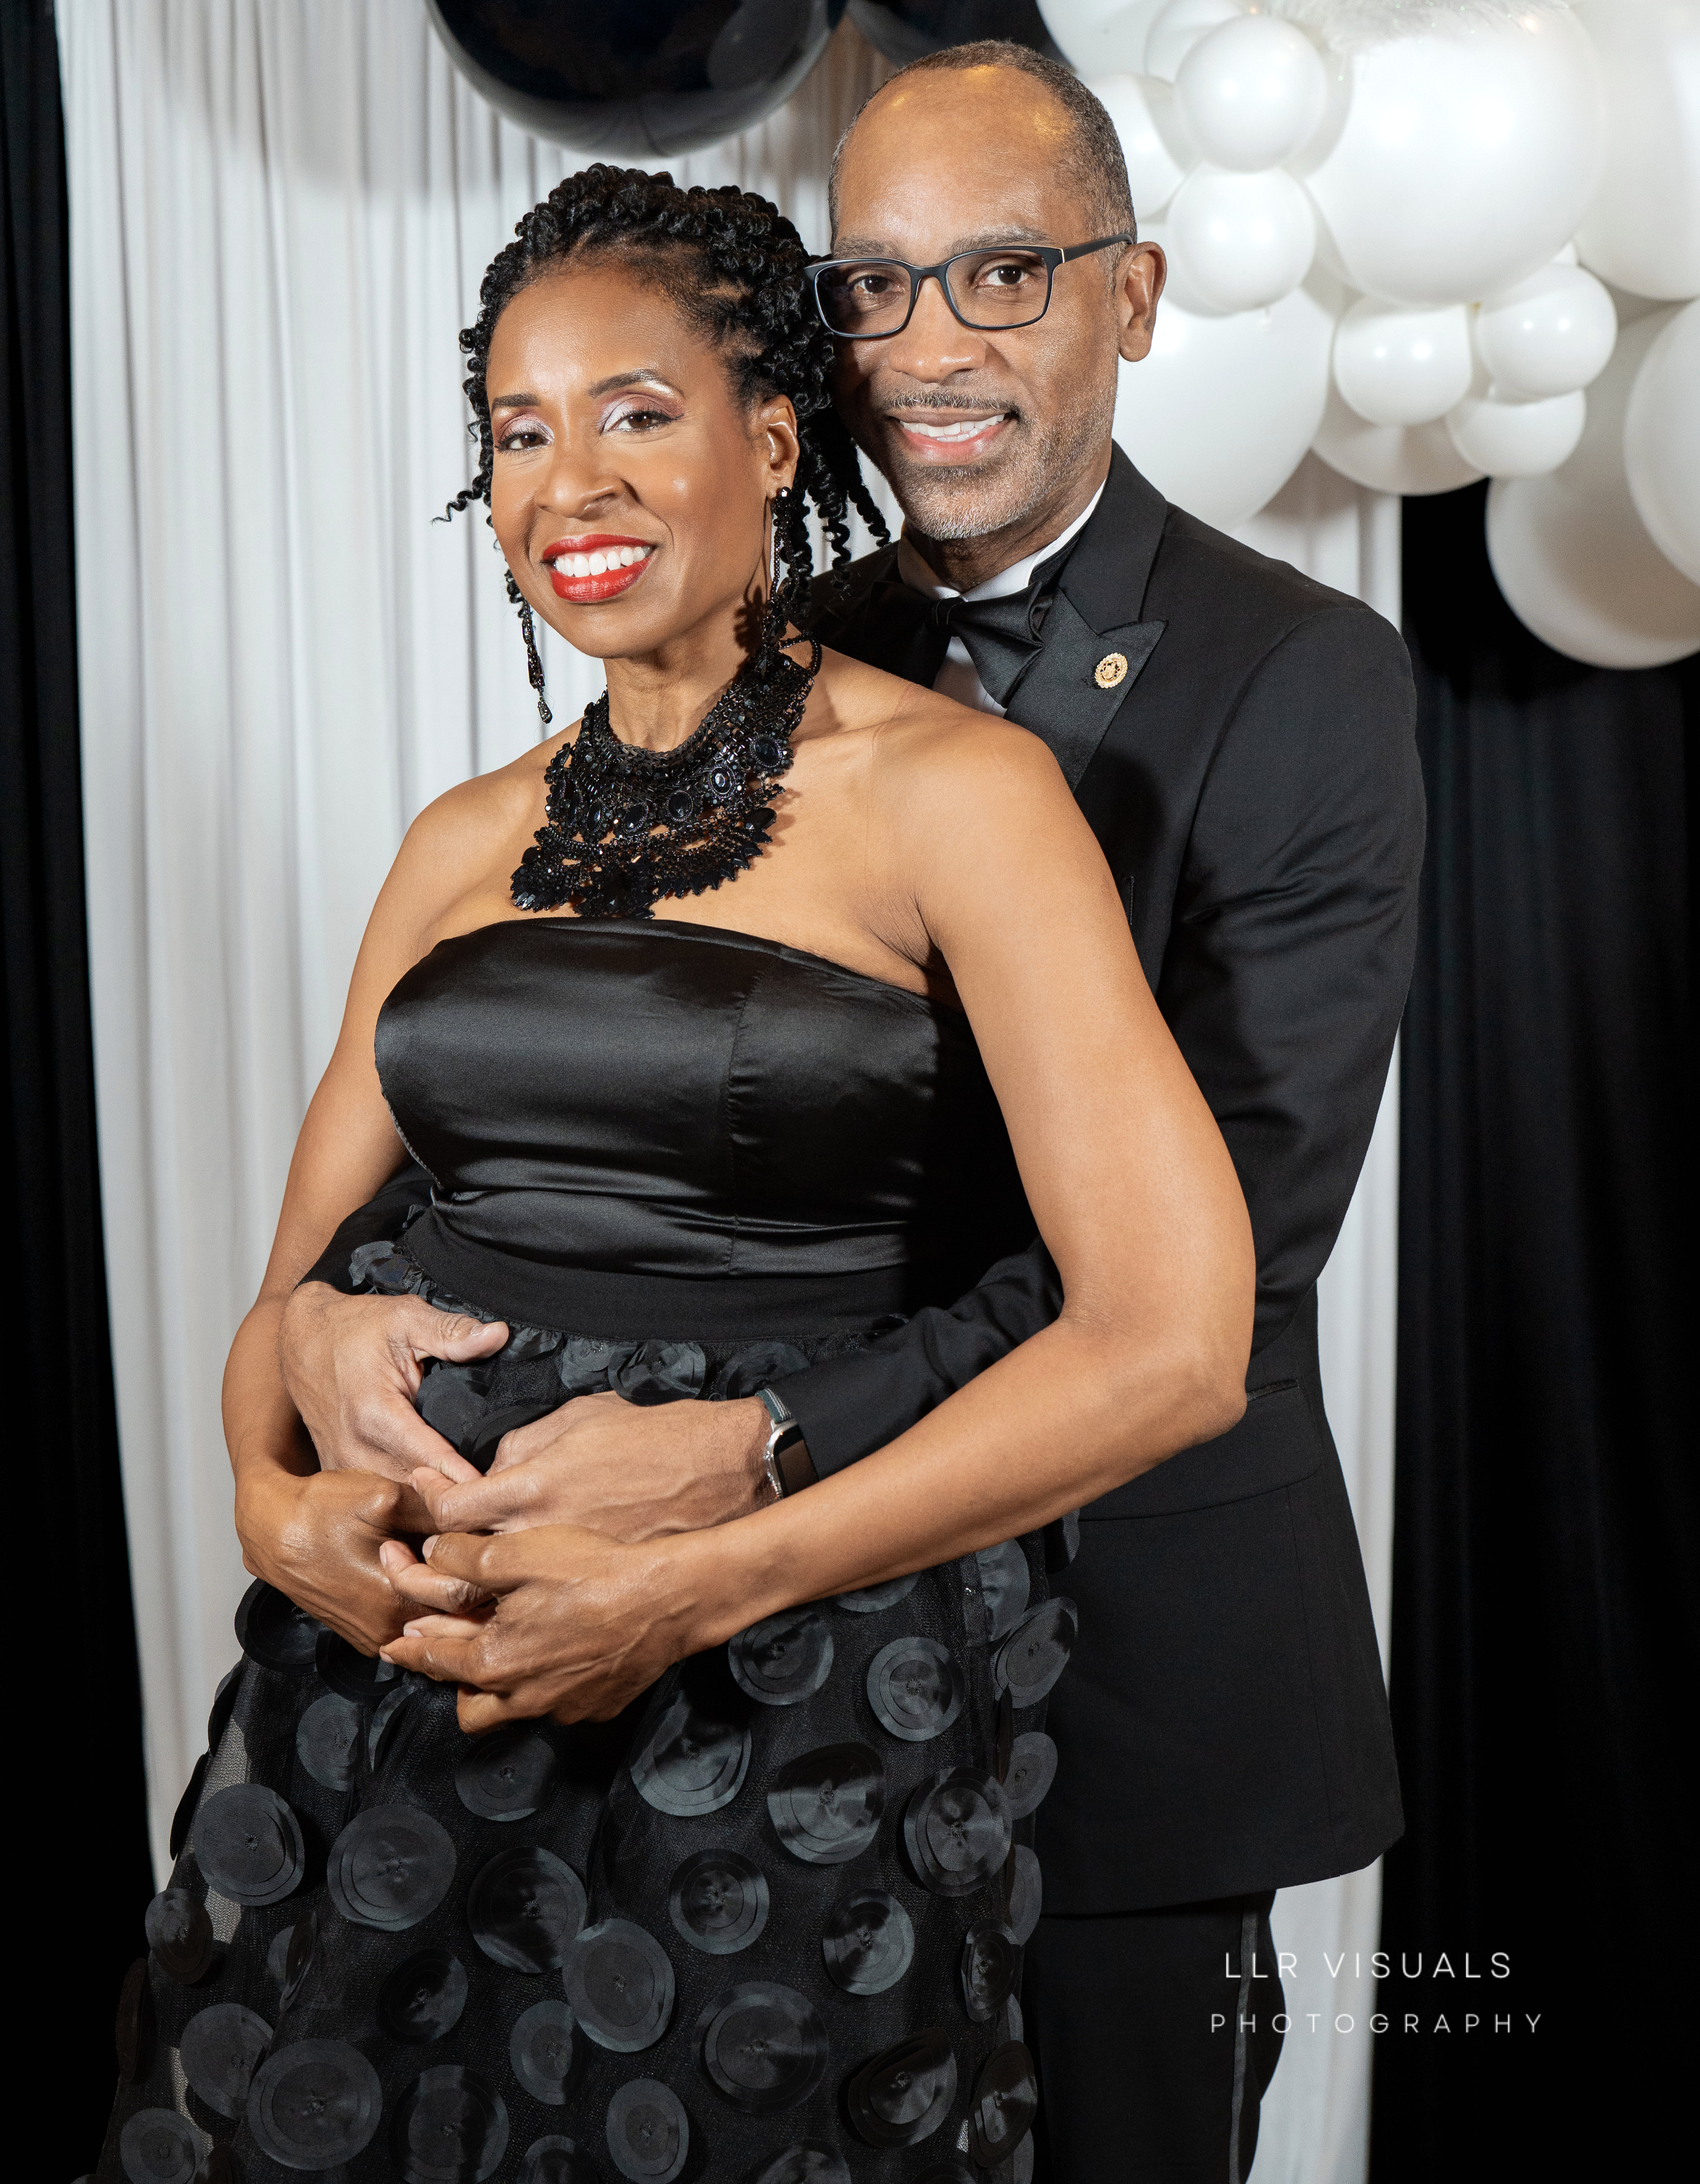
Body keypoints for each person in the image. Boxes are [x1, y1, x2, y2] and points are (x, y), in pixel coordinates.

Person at [280, 43, 1424, 2184]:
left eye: (1004, 273)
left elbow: (1225, 1267)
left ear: (1131, 296)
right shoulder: (768, 658)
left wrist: (760, 1442)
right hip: (740, 1687)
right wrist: (332, 1326)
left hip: (1127, 1668)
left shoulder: (1299, 680)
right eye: (874, 286)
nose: (932, 345)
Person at [96, 164, 1253, 2184]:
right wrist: (274, 1503)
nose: (573, 481)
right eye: (519, 433)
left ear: (775, 441)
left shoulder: (961, 797)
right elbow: (282, 1302)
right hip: (400, 1682)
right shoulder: (461, 839)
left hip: (783, 1687)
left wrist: (700, 1573)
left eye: (636, 411)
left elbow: (1172, 1345)